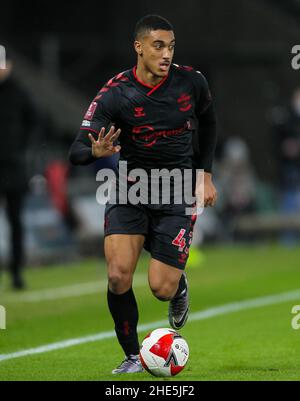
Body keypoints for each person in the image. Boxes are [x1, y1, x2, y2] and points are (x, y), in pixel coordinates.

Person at [69, 15, 217, 374]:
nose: (166, 54)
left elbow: (209, 122)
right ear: (139, 47)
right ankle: (133, 355)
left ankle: (177, 283)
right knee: (118, 276)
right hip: (129, 190)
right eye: (158, 46)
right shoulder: (115, 93)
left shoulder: (191, 82)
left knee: (160, 289)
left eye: (170, 47)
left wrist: (206, 175)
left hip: (178, 190)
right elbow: (76, 151)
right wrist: (96, 152)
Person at [0, 54, 37, 290]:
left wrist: (22, 148)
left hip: (13, 166)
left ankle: (16, 273)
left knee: (15, 220)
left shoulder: (19, 93)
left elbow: (35, 122)